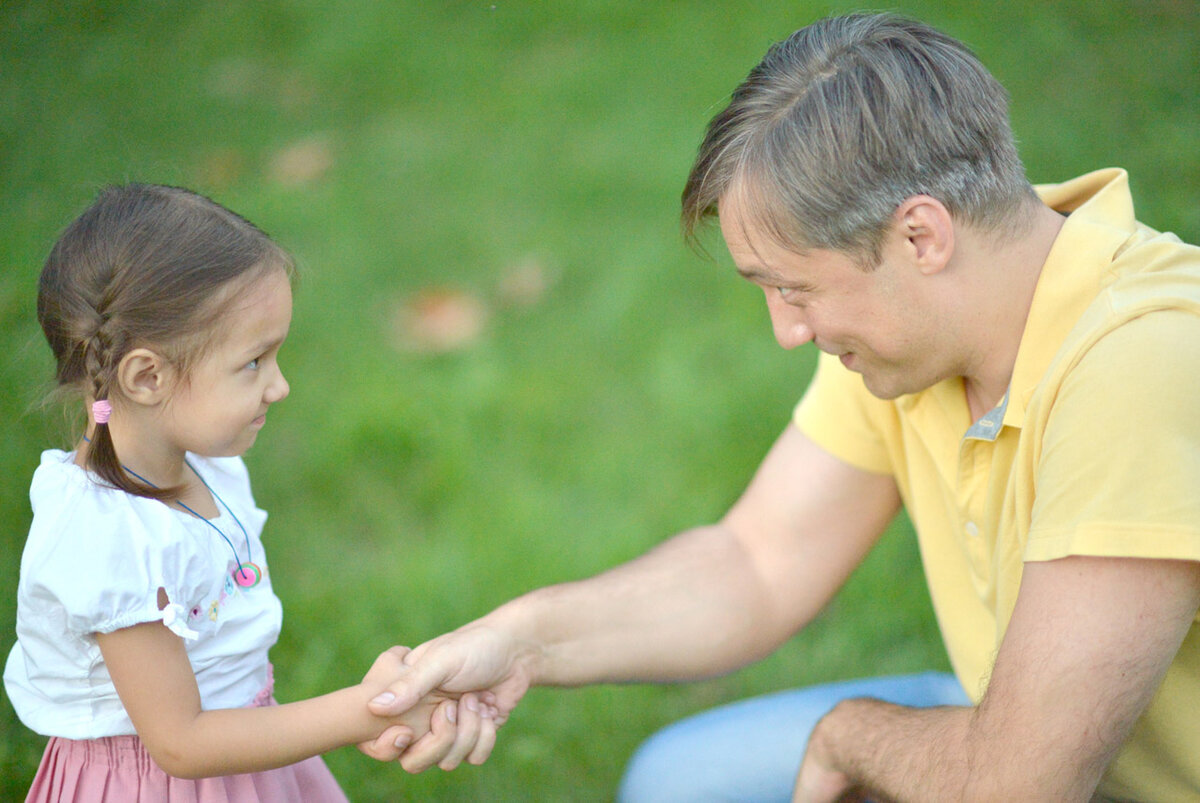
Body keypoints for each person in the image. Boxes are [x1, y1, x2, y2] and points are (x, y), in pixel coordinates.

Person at [362, 12, 1200, 801]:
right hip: (1021, 734)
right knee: (680, 780)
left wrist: (849, 737)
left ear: (921, 236)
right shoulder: (917, 337)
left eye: (793, 288)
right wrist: (522, 639)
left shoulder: (1138, 362)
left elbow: (1016, 784)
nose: (787, 332)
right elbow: (758, 562)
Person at [2, 183, 490, 801]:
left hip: (249, 758)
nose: (279, 386)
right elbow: (181, 743)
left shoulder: (205, 464)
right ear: (147, 376)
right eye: (255, 362)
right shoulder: (111, 541)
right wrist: (367, 710)